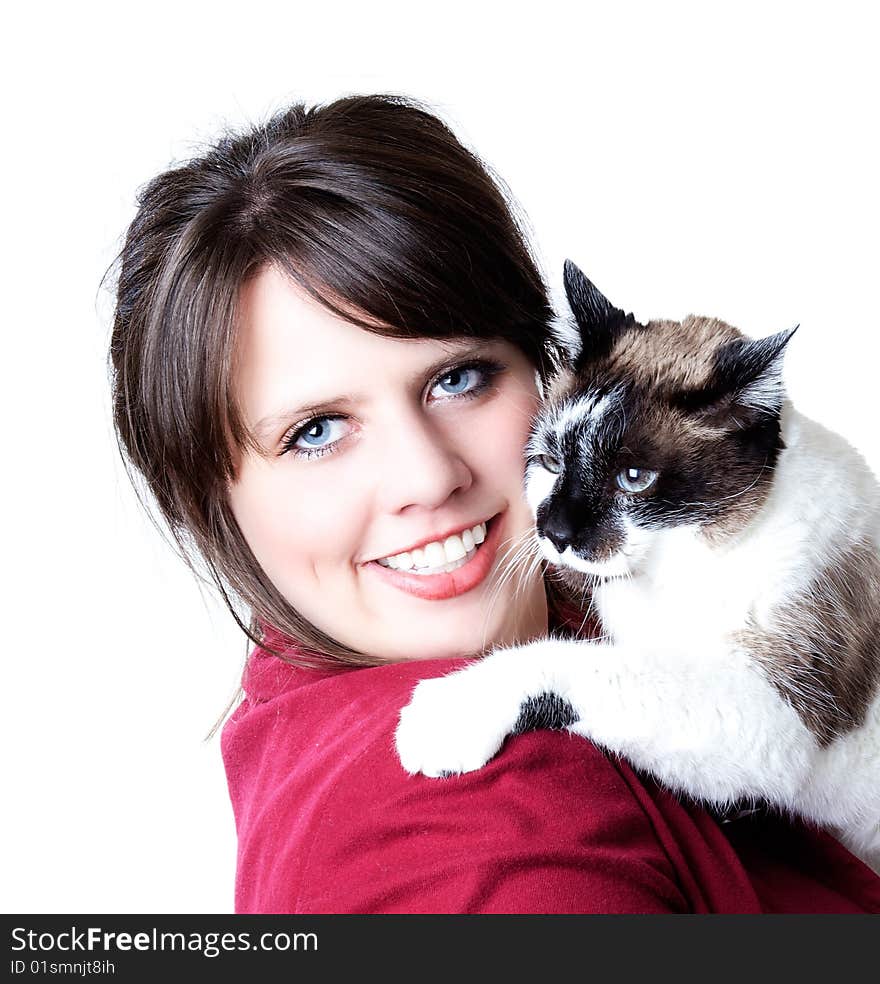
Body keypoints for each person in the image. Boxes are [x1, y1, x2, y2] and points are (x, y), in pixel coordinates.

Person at [109, 94, 880, 913]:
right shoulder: (481, 838)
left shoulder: (419, 620)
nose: (426, 477)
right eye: (317, 431)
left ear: (546, 370)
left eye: (458, 379)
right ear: (208, 499)